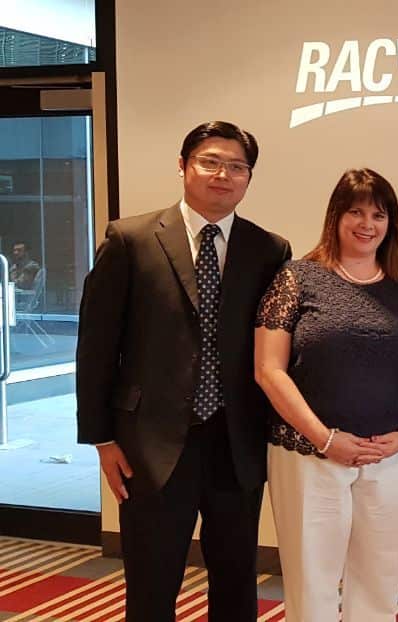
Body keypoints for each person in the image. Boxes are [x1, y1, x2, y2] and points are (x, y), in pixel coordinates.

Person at [75, 121, 291, 621]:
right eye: (210, 161)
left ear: (248, 178)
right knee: (152, 581)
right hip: (149, 443)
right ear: (183, 166)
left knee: (237, 579)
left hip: (236, 443)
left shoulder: (269, 250)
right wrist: (102, 439)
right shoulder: (130, 239)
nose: (223, 174)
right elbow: (97, 345)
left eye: (237, 167)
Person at [253, 168, 398, 620]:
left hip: (387, 456)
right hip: (310, 455)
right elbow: (269, 370)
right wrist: (325, 438)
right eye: (355, 211)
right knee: (312, 578)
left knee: (380, 577)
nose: (366, 223)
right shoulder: (297, 278)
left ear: (392, 224)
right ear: (335, 216)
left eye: (378, 214)